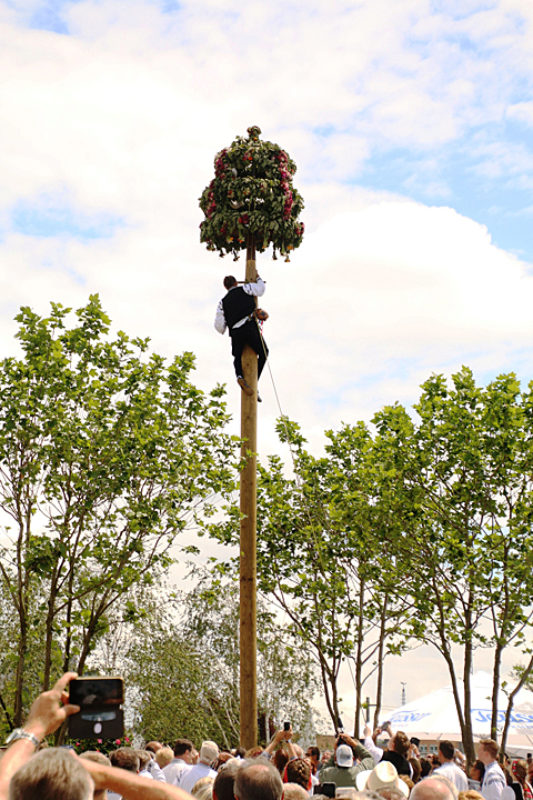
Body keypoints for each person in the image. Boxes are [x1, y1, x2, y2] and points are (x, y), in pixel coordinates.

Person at [214, 274, 268, 400]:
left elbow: (219, 327)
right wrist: (258, 278)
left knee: (237, 356)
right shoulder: (245, 288)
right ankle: (254, 382)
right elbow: (261, 289)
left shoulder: (222, 302)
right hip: (249, 326)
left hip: (235, 332)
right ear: (235, 283)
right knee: (264, 352)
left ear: (226, 287)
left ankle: (239, 376)